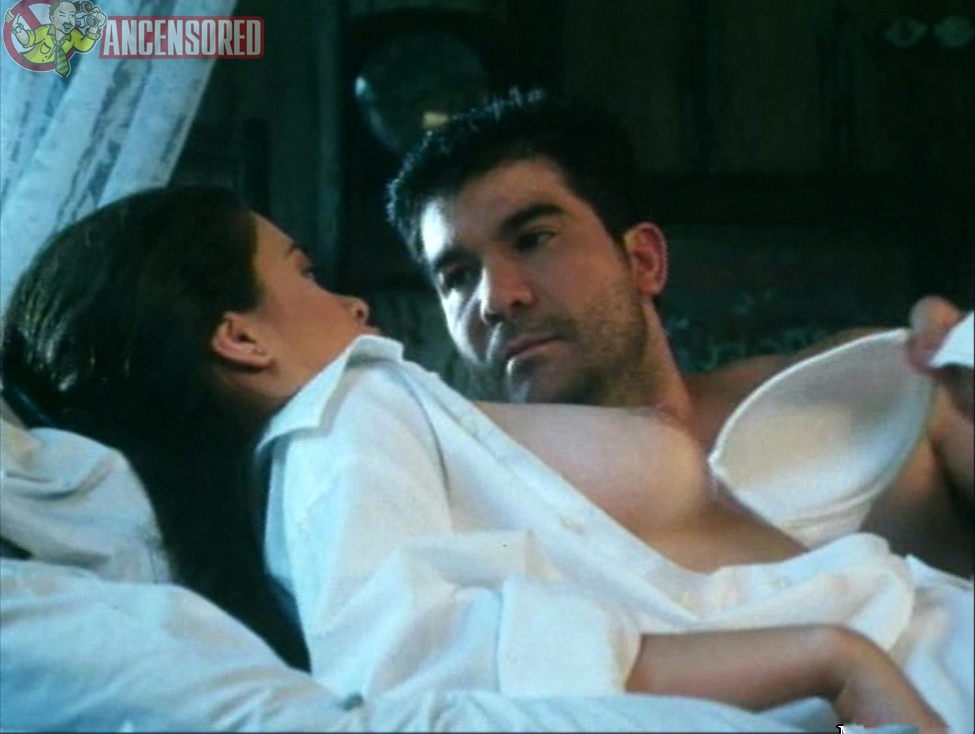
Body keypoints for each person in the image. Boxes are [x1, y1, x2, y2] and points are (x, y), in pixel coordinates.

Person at [0, 187, 961, 732]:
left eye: (536, 239)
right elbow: (415, 661)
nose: (355, 305)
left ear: (643, 257)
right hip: (892, 662)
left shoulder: (391, 426)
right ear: (241, 337)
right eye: (304, 273)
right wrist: (828, 656)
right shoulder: (343, 412)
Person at [386, 88, 974, 576]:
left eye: (534, 239)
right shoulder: (466, 508)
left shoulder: (872, 394)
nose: (495, 299)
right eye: (457, 278)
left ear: (643, 260)